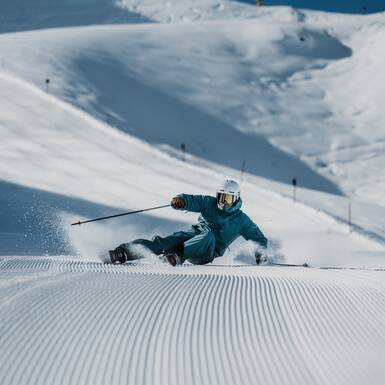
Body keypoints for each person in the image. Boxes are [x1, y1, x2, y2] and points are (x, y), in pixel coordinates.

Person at [109, 178, 268, 266]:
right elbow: (192, 200)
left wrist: (261, 254)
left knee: (209, 236)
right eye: (221, 197)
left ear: (236, 198)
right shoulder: (209, 203)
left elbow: (258, 238)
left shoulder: (241, 220)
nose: (223, 202)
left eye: (228, 198)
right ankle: (124, 251)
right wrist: (181, 201)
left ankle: (175, 256)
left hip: (206, 252)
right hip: (190, 237)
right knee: (164, 242)